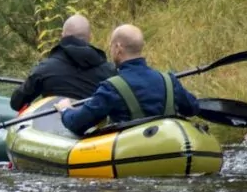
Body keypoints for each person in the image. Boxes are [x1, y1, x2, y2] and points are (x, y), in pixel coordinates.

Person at [55, 24, 200, 135]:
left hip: (129, 156)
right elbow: (192, 108)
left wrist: (66, 109)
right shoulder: (169, 80)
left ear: (118, 48)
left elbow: (78, 123)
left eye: (111, 46)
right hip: (171, 146)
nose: (111, 51)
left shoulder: (111, 88)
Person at [9, 14, 115, 111]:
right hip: (95, 130)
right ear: (90, 37)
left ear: (62, 35)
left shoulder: (44, 69)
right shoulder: (110, 72)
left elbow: (16, 103)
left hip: (52, 129)